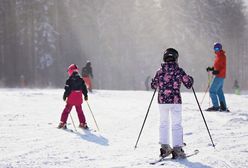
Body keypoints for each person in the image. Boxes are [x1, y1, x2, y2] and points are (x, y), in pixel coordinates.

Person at [151, 48, 194, 159]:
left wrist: (156, 81)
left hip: (162, 102)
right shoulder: (179, 70)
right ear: (175, 58)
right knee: (176, 124)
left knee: (163, 123)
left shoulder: (160, 71)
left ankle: (165, 148)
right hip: (175, 101)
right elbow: (188, 84)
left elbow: (153, 86)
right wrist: (191, 79)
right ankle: (177, 149)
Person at [58, 64, 89, 129]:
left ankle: (63, 123)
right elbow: (84, 88)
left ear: (70, 71)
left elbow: (67, 89)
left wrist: (65, 96)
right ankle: (83, 123)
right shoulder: (81, 80)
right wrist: (85, 95)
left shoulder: (69, 80)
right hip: (78, 99)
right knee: (80, 111)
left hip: (71, 99)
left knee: (66, 110)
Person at [206, 42, 229, 112]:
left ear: (220, 49)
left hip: (220, 76)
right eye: (215, 48)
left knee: (212, 91)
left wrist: (217, 72)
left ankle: (216, 106)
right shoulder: (218, 56)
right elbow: (217, 66)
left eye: (217, 48)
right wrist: (212, 69)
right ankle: (223, 107)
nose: (216, 50)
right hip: (220, 76)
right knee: (219, 91)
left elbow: (223, 68)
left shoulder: (222, 56)